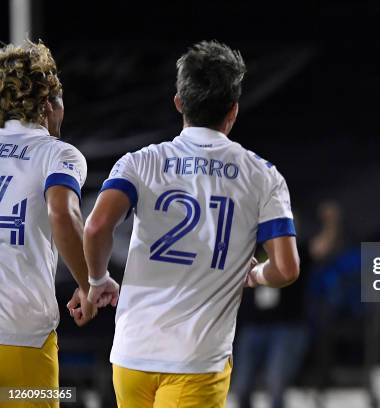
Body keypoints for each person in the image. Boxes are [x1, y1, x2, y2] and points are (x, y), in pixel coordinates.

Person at [83, 40, 300, 408]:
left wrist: (97, 280)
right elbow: (286, 267)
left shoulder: (140, 162)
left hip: (131, 355)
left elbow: (95, 227)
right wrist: (256, 275)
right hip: (195, 360)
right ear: (233, 111)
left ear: (179, 102)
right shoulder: (262, 176)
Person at [0, 40, 100, 407]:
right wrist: (90, 284)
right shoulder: (57, 153)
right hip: (22, 338)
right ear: (49, 104)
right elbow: (62, 212)